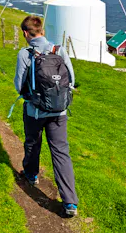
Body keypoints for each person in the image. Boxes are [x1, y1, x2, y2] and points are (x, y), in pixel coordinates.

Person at [14, 15, 79, 217]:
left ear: (26, 33)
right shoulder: (59, 50)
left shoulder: (25, 53)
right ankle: (70, 203)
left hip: (35, 111)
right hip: (59, 111)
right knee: (61, 151)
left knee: (33, 142)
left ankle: (32, 175)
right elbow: (72, 80)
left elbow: (18, 85)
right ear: (42, 30)